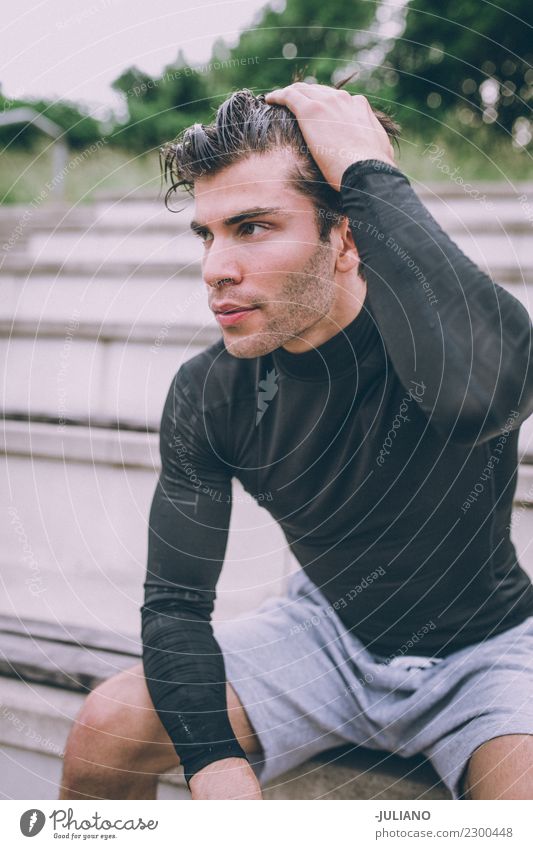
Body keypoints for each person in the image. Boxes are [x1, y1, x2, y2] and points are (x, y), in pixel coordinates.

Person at [60, 83, 533, 801]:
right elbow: (175, 606)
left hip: (487, 651)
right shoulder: (209, 390)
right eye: (208, 232)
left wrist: (368, 170)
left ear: (346, 238)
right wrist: (215, 766)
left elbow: (486, 395)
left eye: (251, 226)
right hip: (327, 635)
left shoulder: (440, 343)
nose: (215, 266)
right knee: (107, 725)